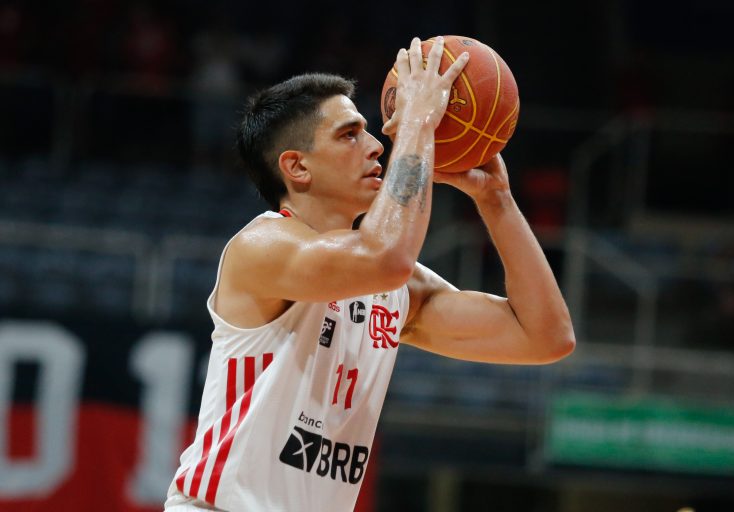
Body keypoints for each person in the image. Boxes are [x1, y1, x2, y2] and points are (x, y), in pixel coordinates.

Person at [165, 37, 575, 512]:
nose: (377, 145)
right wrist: (418, 121)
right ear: (297, 167)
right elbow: (384, 257)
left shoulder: (393, 287)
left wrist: (496, 200)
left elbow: (546, 337)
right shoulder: (260, 249)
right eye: (349, 134)